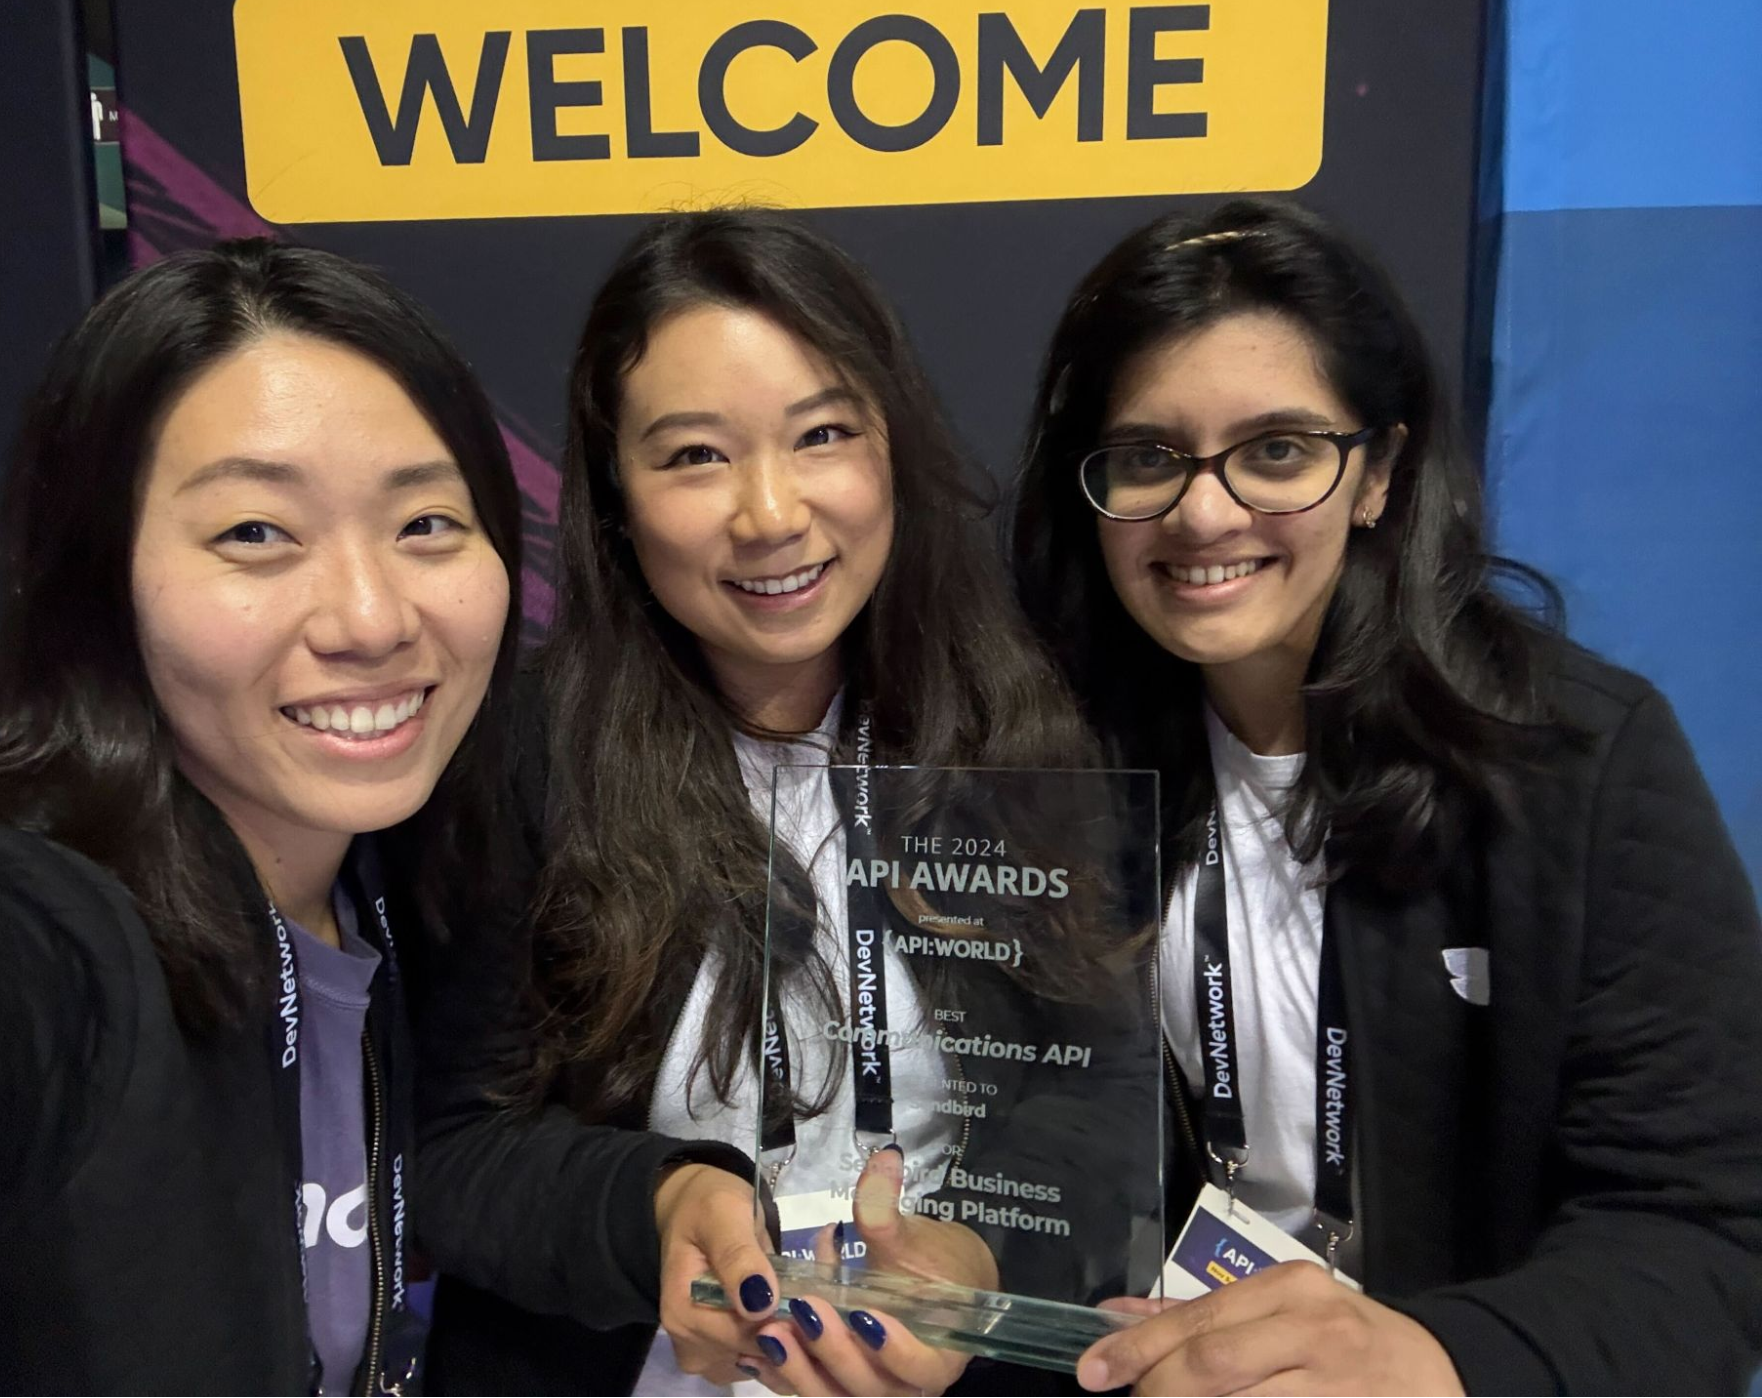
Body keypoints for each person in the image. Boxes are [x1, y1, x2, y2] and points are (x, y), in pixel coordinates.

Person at [1009, 198, 1762, 1394]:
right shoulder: (1047, 760)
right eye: (1149, 456)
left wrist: (1435, 1359)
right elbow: (1020, 1145)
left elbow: (1705, 1229)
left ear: (1379, 473)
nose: (1204, 511)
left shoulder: (1572, 762)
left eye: (1276, 450)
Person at [0, 240, 523, 1392]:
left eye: (425, 525)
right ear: (100, 580)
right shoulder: (4, 936)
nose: (372, 618)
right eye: (255, 534)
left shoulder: (393, 890)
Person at [443, 207, 1150, 1398]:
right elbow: (454, 1148)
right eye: (693, 455)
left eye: (822, 434)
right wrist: (660, 1203)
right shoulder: (520, 751)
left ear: (893, 449)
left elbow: (1101, 1085)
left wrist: (973, 1262)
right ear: (615, 495)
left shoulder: (1016, 731)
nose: (770, 513)